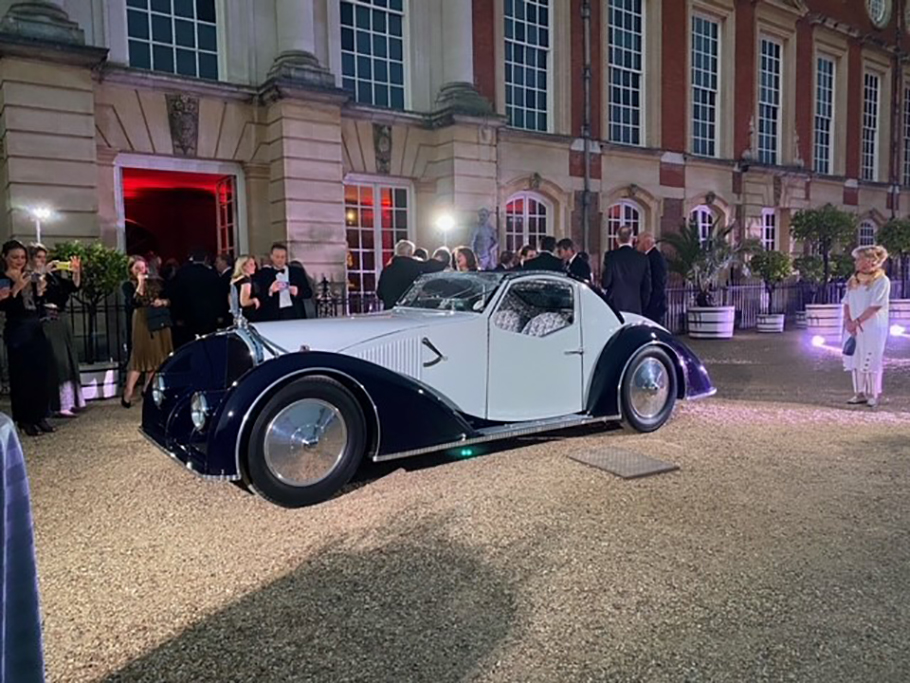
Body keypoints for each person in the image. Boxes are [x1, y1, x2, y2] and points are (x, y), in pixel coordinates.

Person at [0, 240, 54, 436]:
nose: (19, 261)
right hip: (17, 329)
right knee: (22, 375)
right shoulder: (3, 278)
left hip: (34, 327)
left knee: (40, 372)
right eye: (15, 257)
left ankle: (40, 415)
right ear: (5, 257)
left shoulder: (28, 275)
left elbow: (37, 303)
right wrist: (16, 288)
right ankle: (24, 419)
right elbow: (4, 305)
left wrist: (39, 290)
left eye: (22, 257)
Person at [33, 245, 85, 417]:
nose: (42, 260)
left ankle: (71, 401)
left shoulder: (55, 278)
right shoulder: (34, 277)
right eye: (39, 257)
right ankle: (58, 403)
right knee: (57, 360)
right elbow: (37, 295)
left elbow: (74, 286)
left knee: (68, 357)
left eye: (44, 257)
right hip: (47, 318)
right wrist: (44, 273)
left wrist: (76, 271)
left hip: (61, 318)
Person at [122, 256, 174, 408]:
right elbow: (136, 301)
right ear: (131, 270)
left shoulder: (157, 282)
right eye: (136, 268)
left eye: (142, 267)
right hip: (142, 321)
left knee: (156, 356)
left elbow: (170, 299)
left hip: (157, 320)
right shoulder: (128, 285)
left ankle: (147, 389)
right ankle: (128, 391)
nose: (141, 270)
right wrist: (140, 282)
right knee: (140, 356)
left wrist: (162, 302)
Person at [843, 245, 891, 408]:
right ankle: (859, 393)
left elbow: (875, 305)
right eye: (858, 259)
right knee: (856, 358)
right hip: (854, 326)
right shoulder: (853, 280)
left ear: (872, 262)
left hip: (872, 326)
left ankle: (873, 393)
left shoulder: (881, 281)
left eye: (862, 259)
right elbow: (847, 302)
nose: (859, 263)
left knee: (871, 358)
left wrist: (857, 322)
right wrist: (848, 321)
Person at [168, 249, 223, 347]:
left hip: (187, 315)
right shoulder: (212, 274)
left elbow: (177, 296)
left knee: (189, 345)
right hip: (208, 316)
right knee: (208, 344)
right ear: (205, 259)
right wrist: (218, 314)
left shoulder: (182, 273)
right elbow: (218, 296)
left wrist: (177, 316)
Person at [255, 243, 313, 321]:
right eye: (277, 257)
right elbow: (260, 296)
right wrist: (270, 291)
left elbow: (309, 292)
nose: (280, 260)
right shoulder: (264, 274)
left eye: (283, 257)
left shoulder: (297, 272)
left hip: (294, 312)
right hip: (274, 314)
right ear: (271, 257)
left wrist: (297, 292)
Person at [602, 226, 651, 315]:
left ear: (617, 239)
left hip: (615, 306)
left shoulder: (611, 256)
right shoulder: (642, 258)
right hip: (636, 305)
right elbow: (647, 287)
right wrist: (642, 304)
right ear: (632, 239)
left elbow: (606, 283)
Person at [377, 240, 433, 309]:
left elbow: (379, 293)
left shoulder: (387, 270)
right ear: (410, 253)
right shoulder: (414, 268)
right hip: (407, 310)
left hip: (389, 310)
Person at [637, 232, 668, 325]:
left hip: (654, 305)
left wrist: (650, 304)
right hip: (653, 304)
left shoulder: (655, 258)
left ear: (646, 243)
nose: (637, 245)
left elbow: (658, 283)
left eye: (639, 242)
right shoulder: (651, 256)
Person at [230, 255, 262, 321]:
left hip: (237, 315)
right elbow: (244, 302)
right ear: (243, 266)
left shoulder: (235, 280)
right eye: (251, 264)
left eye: (254, 264)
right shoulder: (246, 280)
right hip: (247, 316)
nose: (254, 267)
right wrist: (254, 300)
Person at [214, 252, 234, 328]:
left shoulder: (224, 278)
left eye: (217, 262)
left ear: (224, 262)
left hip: (226, 312)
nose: (216, 264)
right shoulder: (232, 274)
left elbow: (221, 297)